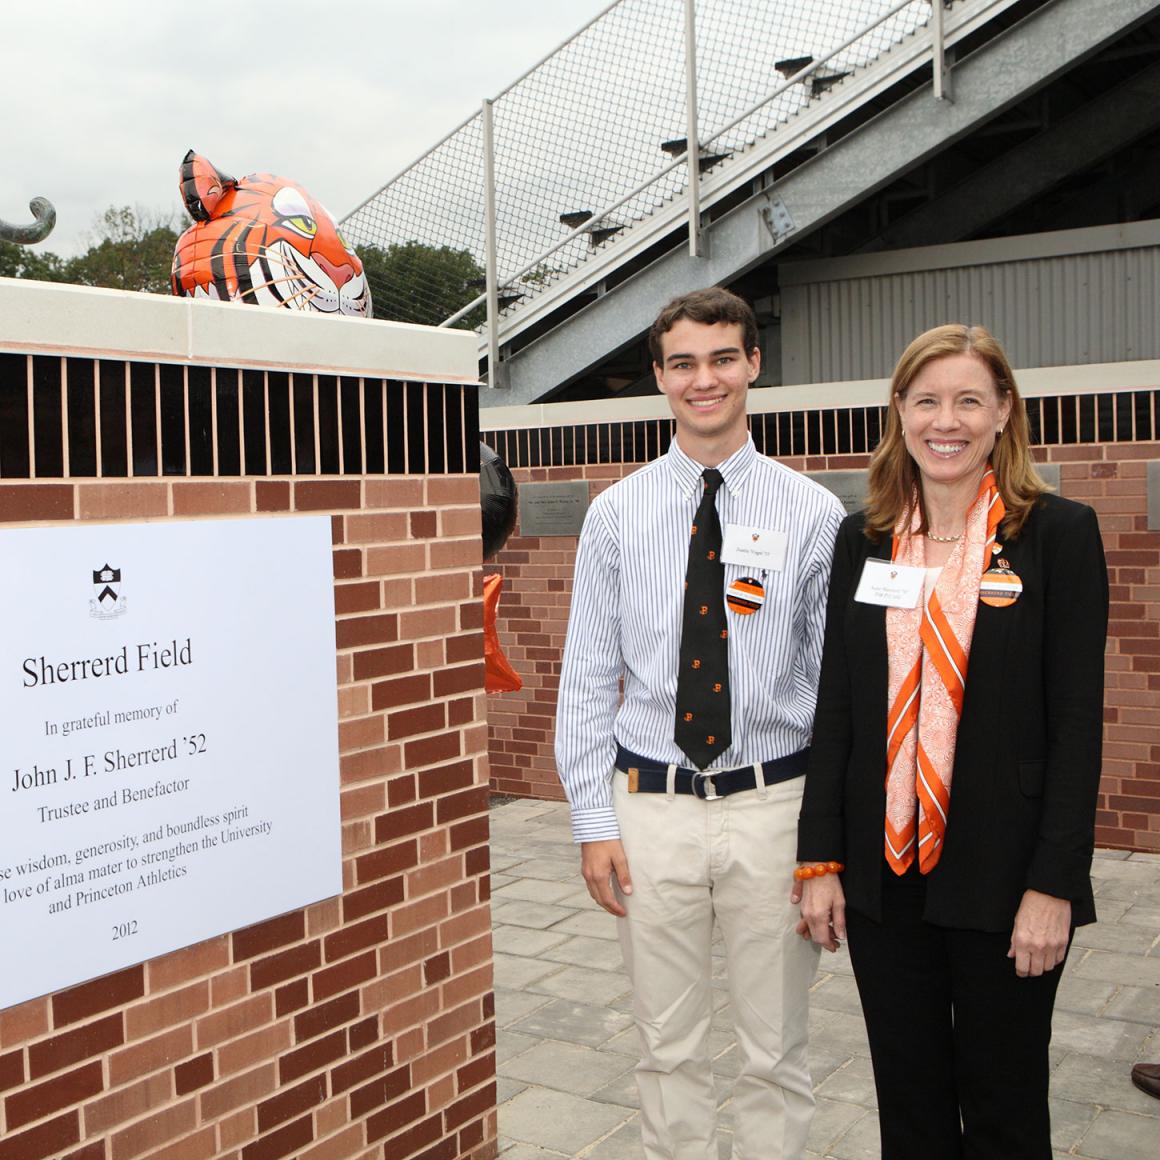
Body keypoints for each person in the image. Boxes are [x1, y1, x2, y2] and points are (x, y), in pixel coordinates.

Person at [796, 324, 1108, 1159]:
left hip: (1006, 878)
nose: (948, 420)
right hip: (885, 875)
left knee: (1005, 1110)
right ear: (899, 412)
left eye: (970, 400)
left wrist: (1055, 885)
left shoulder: (1058, 535)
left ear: (1004, 413)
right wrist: (821, 858)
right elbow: (840, 707)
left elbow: (1079, 724)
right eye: (927, 400)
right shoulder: (860, 539)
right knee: (911, 1109)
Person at [556, 286, 845, 1159]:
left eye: (723, 358)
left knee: (775, 1052)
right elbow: (584, 680)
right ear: (660, 377)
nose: (704, 379)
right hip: (653, 811)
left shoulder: (814, 514)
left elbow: (837, 690)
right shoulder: (615, 513)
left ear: (754, 364)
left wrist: (825, 842)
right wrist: (592, 822)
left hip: (773, 809)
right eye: (683, 363)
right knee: (665, 1049)